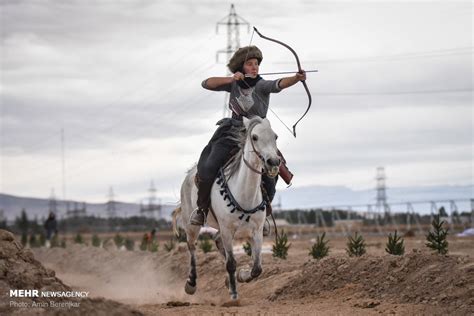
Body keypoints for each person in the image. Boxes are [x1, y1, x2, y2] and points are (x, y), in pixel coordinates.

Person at [190, 45, 306, 227]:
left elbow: (279, 84)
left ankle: (264, 210)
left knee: (273, 169)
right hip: (232, 131)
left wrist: (296, 78)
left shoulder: (262, 85)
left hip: (257, 133)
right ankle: (202, 209)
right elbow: (206, 83)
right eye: (250, 64)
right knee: (209, 164)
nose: (254, 67)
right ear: (241, 68)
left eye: (256, 64)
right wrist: (231, 79)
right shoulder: (234, 84)